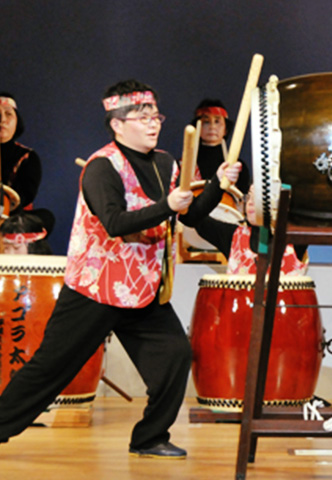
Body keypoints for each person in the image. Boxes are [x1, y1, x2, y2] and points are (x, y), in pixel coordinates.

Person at [0, 79, 242, 459]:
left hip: (142, 288)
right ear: (116, 123)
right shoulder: (101, 166)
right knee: (50, 370)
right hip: (95, 289)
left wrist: (217, 185)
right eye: (142, 117)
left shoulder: (165, 163)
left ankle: (149, 437)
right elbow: (115, 222)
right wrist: (168, 205)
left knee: (175, 355)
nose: (153, 123)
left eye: (156, 116)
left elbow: (191, 215)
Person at [195, 185, 308, 275]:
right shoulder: (234, 237)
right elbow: (196, 218)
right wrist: (219, 182)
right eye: (249, 197)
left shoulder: (293, 238)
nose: (250, 202)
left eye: (257, 198)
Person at [189, 98, 251, 193]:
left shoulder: (236, 167)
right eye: (206, 122)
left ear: (225, 129)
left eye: (217, 121)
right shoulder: (185, 165)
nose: (212, 127)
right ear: (197, 128)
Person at [0, 92, 43, 212]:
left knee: (45, 216)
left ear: (17, 121)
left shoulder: (28, 157)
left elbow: (26, 195)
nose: (2, 119)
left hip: (13, 215)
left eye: (8, 114)